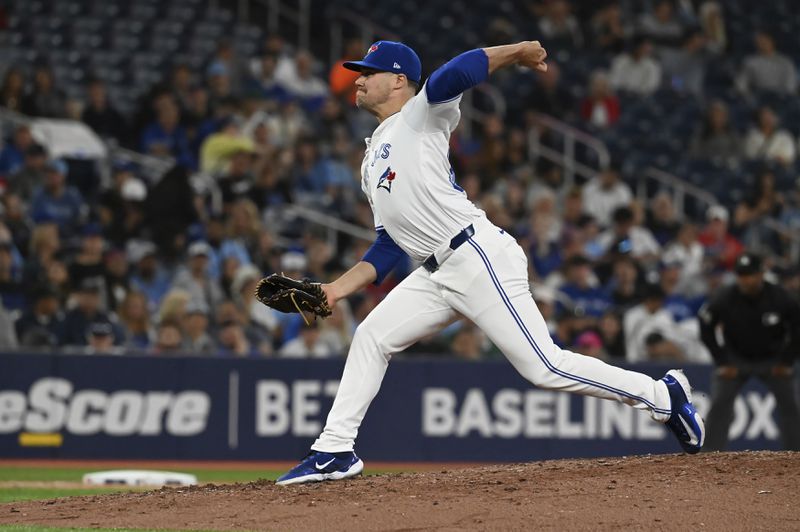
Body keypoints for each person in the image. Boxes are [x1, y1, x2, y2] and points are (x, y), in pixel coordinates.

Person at [276, 39, 705, 486]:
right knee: (371, 336)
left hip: (476, 255)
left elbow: (453, 73)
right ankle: (333, 450)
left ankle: (663, 397)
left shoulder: (420, 116)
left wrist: (518, 51)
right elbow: (388, 246)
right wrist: (334, 290)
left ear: (399, 80)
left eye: (369, 71)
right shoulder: (371, 159)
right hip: (434, 272)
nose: (359, 79)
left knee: (545, 368)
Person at [699, 252, 800, 451]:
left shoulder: (780, 297)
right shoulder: (725, 297)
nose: (745, 280)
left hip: (774, 359)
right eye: (741, 275)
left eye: (750, 275)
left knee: (791, 406)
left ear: (761, 274)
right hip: (735, 359)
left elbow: (798, 328)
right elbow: (706, 326)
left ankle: (795, 454)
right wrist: (722, 361)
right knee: (719, 404)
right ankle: (709, 455)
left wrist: (787, 361)